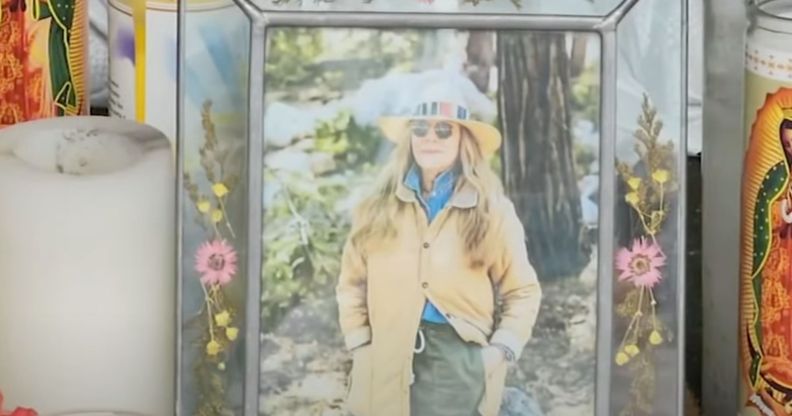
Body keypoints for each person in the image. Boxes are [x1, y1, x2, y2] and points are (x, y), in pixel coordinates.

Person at [335, 88, 542, 416]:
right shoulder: (376, 207)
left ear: (464, 140)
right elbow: (351, 283)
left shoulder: (493, 211)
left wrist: (500, 350)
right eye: (420, 128)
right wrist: (360, 344)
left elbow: (523, 291)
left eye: (444, 129)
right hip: (384, 358)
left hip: (457, 363)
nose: (430, 137)